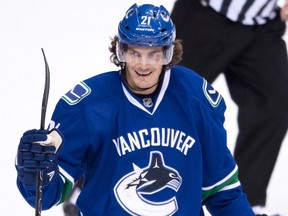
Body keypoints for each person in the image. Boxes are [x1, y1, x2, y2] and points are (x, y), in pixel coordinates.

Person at [15, 3, 263, 216]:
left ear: (168, 53)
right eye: (134, 53)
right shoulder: (87, 105)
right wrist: (34, 173)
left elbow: (223, 192)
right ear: (120, 51)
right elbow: (45, 197)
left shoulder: (195, 98)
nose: (143, 65)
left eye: (153, 54)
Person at [170, 0, 288, 215]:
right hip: (203, 15)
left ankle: (245, 204)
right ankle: (103, 184)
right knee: (164, 98)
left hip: (261, 23)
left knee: (275, 102)